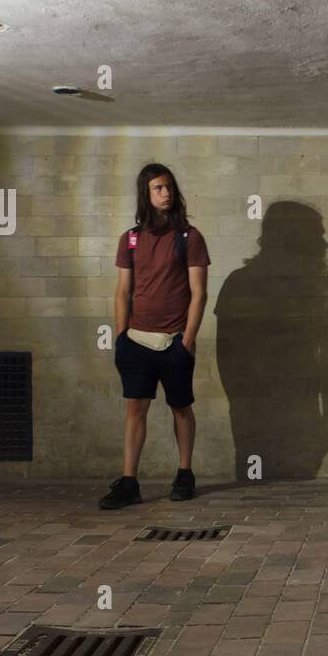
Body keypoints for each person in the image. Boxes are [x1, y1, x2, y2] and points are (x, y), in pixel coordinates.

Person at [99, 163, 210, 509]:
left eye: (169, 187)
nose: (166, 193)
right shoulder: (130, 239)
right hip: (136, 343)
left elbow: (199, 293)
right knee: (136, 410)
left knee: (181, 408)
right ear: (146, 194)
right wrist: (121, 338)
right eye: (158, 188)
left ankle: (185, 474)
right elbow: (122, 292)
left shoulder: (189, 237)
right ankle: (129, 482)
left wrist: (187, 340)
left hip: (174, 341)